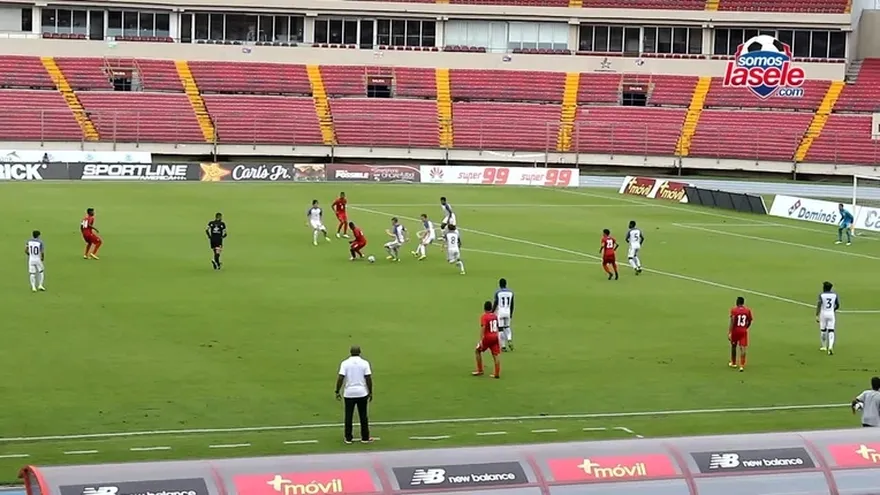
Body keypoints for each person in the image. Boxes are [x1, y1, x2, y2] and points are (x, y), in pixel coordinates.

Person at [335, 345, 373, 444]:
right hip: (362, 392)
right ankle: (365, 437)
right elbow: (368, 378)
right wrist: (370, 392)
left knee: (348, 415)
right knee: (363, 415)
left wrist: (337, 391)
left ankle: (348, 438)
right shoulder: (365, 363)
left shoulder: (345, 363)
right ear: (360, 352)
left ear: (350, 352)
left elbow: (340, 378)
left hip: (349, 393)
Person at [473, 301, 501, 378]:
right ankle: (497, 373)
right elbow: (497, 326)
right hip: (495, 336)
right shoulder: (495, 316)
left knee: (477, 351)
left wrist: (481, 339)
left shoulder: (484, 317)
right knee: (495, 355)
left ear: (484, 308)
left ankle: (480, 370)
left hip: (488, 338)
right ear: (491, 308)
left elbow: (483, 327)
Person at [729, 296, 753, 372]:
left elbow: (732, 321)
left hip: (735, 331)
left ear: (737, 302)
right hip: (743, 330)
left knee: (734, 346)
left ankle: (733, 363)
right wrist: (746, 327)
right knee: (743, 348)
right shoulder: (747, 310)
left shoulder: (734, 310)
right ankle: (742, 365)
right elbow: (750, 320)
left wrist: (730, 332)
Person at [816, 281, 840, 355]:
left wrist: (817, 314)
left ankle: (824, 346)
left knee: (823, 330)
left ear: (824, 288)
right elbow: (837, 305)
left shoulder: (821, 295)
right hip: (831, 314)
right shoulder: (834, 295)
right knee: (831, 330)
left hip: (823, 314)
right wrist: (833, 310)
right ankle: (830, 347)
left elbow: (819, 304)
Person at [493, 278, 515, 351]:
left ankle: (503, 346)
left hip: (500, 312)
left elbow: (496, 303)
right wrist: (511, 313)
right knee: (507, 327)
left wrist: (492, 311)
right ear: (506, 284)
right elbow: (512, 304)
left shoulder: (498, 292)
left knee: (500, 329)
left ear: (499, 284)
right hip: (507, 312)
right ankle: (509, 339)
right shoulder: (511, 292)